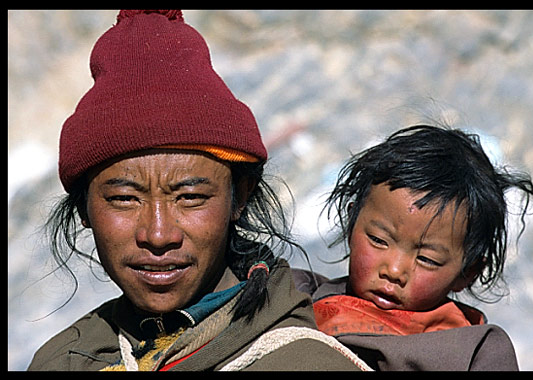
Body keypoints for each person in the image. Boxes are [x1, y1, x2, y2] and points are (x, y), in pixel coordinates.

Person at [28, 10, 369, 371]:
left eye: (190, 197)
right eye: (124, 199)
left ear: (239, 195)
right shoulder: (63, 360)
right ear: (84, 209)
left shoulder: (306, 363)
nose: (158, 234)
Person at [294, 125, 533, 371]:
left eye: (427, 259)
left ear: (468, 272)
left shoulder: (473, 351)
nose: (394, 270)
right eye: (379, 240)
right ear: (351, 225)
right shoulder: (298, 297)